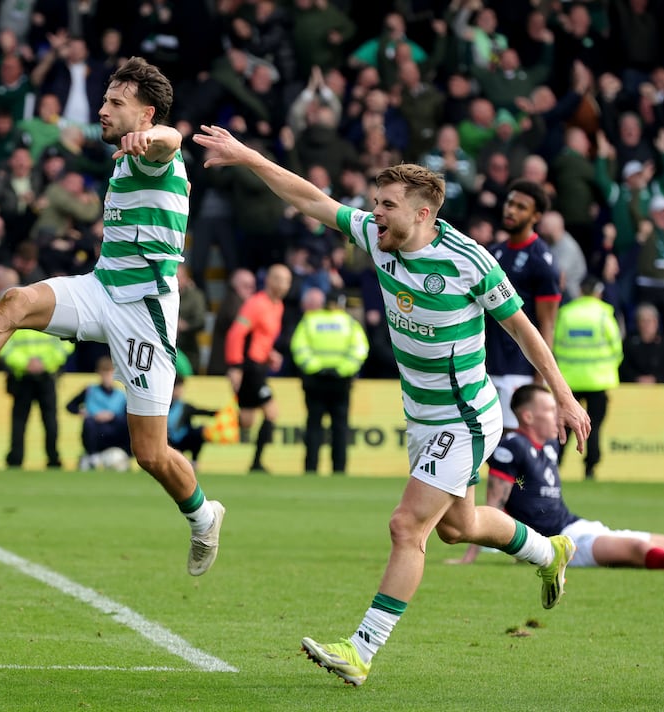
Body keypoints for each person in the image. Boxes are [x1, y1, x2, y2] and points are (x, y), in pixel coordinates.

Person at [193, 124, 590, 686]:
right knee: (460, 526)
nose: (373, 213)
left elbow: (525, 333)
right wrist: (247, 156)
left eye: (386, 206)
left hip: (466, 417)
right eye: (374, 203)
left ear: (424, 214)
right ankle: (549, 552)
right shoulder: (378, 238)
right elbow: (310, 197)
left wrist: (565, 398)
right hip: (422, 418)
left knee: (408, 527)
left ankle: (361, 651)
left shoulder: (470, 261)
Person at [0, 58, 226, 577]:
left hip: (145, 312)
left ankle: (203, 517)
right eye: (105, 100)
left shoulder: (152, 152)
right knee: (14, 301)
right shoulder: (119, 160)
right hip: (103, 287)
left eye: (115, 103)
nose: (103, 111)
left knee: (151, 454)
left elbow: (173, 140)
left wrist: (152, 137)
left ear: (145, 113)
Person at [450, 384, 664, 570]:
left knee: (656, 540)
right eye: (550, 409)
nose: (557, 415)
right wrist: (472, 554)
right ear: (528, 416)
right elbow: (494, 504)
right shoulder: (512, 447)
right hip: (559, 543)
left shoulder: (550, 444)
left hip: (575, 525)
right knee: (638, 548)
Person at [486, 180, 561, 429]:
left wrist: (537, 382)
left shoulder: (541, 261)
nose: (511, 210)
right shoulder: (493, 253)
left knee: (511, 444)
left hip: (518, 369)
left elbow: (547, 325)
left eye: (521, 207)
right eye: (510, 203)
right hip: (485, 362)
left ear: (536, 215)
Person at [290, 288, 369, 476]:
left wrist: (316, 367)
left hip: (315, 381)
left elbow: (299, 348)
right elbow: (360, 350)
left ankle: (310, 469)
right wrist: (341, 370)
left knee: (314, 427)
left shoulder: (310, 320)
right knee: (340, 429)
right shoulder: (349, 323)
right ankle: (339, 471)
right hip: (340, 382)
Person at [553, 276, 623, 480]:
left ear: (580, 291)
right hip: (598, 381)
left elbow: (556, 346)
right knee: (593, 427)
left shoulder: (566, 313)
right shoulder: (604, 314)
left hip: (570, 382)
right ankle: (590, 469)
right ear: (597, 292)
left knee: (564, 426)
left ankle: (555, 466)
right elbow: (617, 348)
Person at [224, 263, 292, 473]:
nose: (284, 285)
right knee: (271, 413)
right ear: (269, 281)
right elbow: (236, 334)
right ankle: (256, 463)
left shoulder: (277, 305)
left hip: (260, 366)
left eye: (287, 281)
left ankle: (202, 430)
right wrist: (235, 366)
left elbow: (262, 336)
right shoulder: (256, 304)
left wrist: (270, 354)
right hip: (250, 368)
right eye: (279, 279)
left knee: (246, 420)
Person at [1, 329, 75, 469]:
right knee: (49, 419)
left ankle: (16, 460)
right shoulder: (51, 316)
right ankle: (53, 459)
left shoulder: (17, 317)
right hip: (38, 375)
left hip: (26, 375)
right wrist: (44, 362)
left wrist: (25, 363)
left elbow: (4, 345)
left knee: (20, 420)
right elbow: (67, 344)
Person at [66, 356, 132, 469]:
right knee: (88, 422)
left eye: (110, 373)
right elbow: (70, 406)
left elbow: (127, 415)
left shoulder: (121, 395)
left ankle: (125, 455)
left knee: (127, 423)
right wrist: (81, 412)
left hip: (114, 430)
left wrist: (112, 416)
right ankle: (92, 455)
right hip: (97, 430)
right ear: (99, 374)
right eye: (104, 373)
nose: (107, 377)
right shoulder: (90, 390)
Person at [167, 375, 217, 471]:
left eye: (180, 388)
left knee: (200, 431)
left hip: (183, 440)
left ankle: (194, 461)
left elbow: (203, 412)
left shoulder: (185, 407)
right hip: (167, 441)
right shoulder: (163, 406)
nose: (179, 391)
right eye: (176, 388)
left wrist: (220, 413)